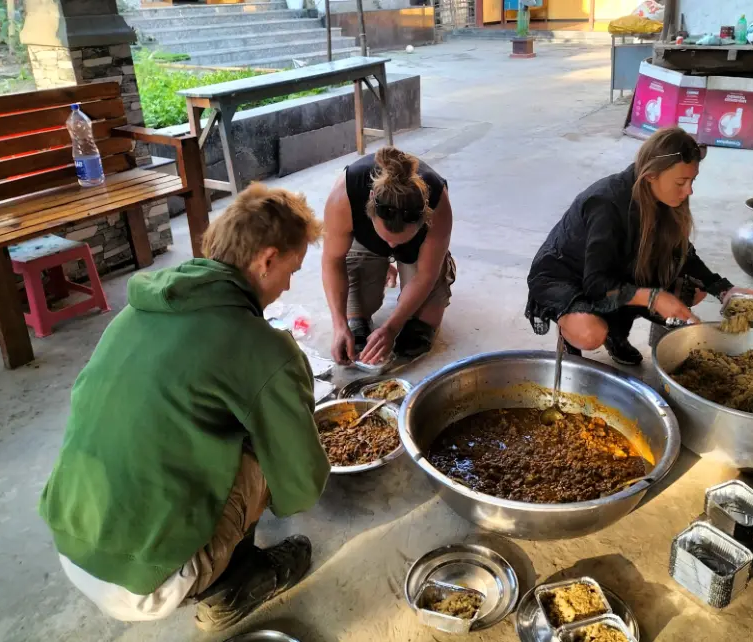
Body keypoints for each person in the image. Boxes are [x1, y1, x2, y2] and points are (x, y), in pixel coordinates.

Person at [39, 184, 330, 632]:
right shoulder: (262, 348)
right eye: (291, 270)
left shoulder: (135, 313)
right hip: (148, 581)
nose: (289, 284)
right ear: (267, 260)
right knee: (267, 444)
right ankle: (231, 583)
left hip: (73, 542)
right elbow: (301, 487)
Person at [526, 127, 753, 365]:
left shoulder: (664, 196)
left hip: (617, 270)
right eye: (681, 182)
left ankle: (616, 334)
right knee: (591, 333)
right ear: (651, 175)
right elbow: (596, 284)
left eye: (692, 180)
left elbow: (681, 254)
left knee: (693, 290)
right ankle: (571, 331)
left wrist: (723, 290)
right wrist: (653, 297)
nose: (689, 190)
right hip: (569, 277)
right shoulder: (605, 204)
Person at [322, 146, 456, 365]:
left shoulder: (438, 203)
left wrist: (392, 328)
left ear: (425, 217)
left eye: (398, 241)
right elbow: (332, 260)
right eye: (387, 239)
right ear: (370, 201)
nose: (392, 245)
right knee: (355, 316)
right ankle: (359, 307)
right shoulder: (345, 196)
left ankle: (414, 268)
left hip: (417, 252)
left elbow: (426, 275)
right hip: (366, 244)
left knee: (422, 322)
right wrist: (339, 324)